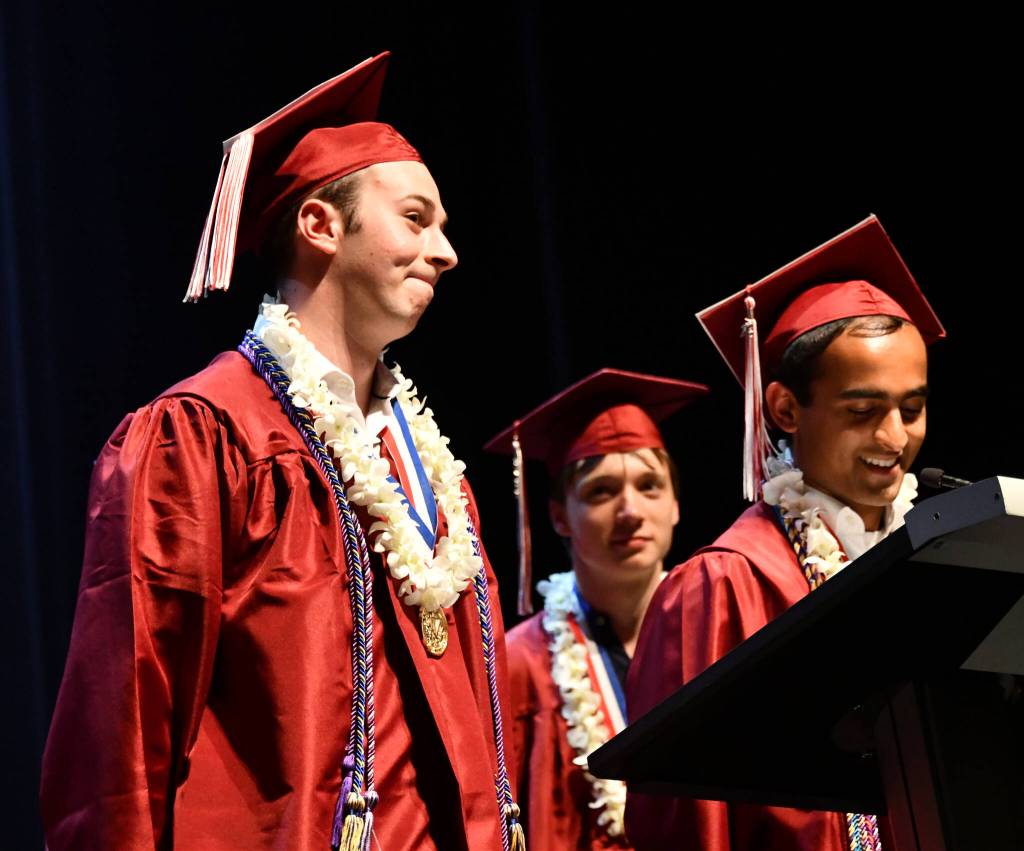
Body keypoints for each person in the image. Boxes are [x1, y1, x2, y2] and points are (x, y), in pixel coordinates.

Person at [40, 53, 524, 851]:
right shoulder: (204, 435)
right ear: (320, 225)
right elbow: (121, 734)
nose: (447, 252)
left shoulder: (433, 474)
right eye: (416, 218)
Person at [625, 215, 946, 851]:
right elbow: (688, 823)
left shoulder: (940, 558)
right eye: (862, 411)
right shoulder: (721, 587)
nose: (894, 438)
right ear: (784, 410)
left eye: (912, 409)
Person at [485, 369, 708, 850]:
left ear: (674, 505)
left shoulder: (715, 633)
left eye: (650, 486)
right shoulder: (518, 664)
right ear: (559, 515)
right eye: (602, 492)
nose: (630, 510)